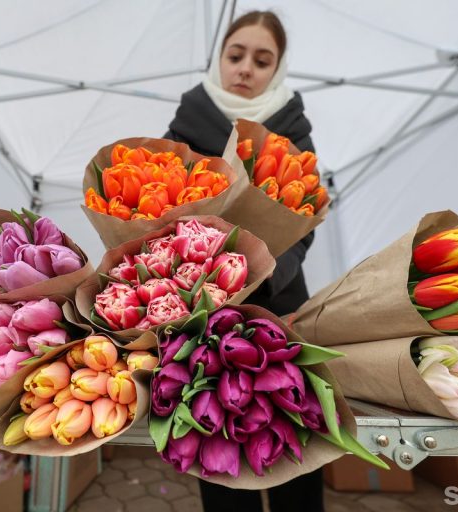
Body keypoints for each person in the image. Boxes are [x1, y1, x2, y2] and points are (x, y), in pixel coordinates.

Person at [164, 10, 323, 512]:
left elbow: (306, 214)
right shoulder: (184, 125)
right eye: (236, 56)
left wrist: (267, 268)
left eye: (262, 60)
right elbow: (161, 212)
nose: (246, 69)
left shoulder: (293, 127)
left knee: (294, 435)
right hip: (202, 310)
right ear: (219, 60)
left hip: (280, 304)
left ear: (276, 70)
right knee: (217, 433)